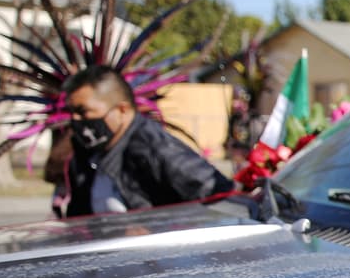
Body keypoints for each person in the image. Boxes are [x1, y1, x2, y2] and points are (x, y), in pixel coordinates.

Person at [61, 65, 233, 216]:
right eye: (71, 112)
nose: (75, 120)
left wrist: (156, 228)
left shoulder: (157, 149)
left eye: (83, 112)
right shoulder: (86, 152)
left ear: (122, 109)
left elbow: (219, 199)